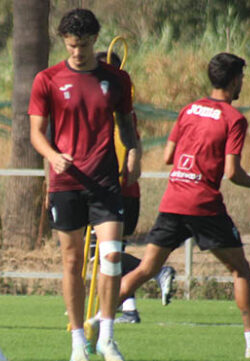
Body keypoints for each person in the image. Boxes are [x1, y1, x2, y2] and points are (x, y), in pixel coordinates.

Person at [120, 52, 250, 359]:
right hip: (203, 205)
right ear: (235, 80)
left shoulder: (188, 109)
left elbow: (167, 156)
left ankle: (96, 322)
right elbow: (231, 172)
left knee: (146, 269)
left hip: (173, 200)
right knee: (241, 270)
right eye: (242, 79)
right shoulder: (234, 119)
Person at [29, 8, 139, 361]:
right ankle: (78, 340)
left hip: (106, 181)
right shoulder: (47, 79)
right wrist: (52, 155)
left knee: (112, 257)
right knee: (72, 260)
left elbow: (127, 125)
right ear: (65, 42)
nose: (77, 52)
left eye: (84, 45)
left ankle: (107, 337)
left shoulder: (116, 79)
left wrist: (134, 153)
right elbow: (35, 132)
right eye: (71, 45)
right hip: (66, 182)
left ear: (95, 40)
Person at [93, 51, 176, 325]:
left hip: (114, 190)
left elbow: (131, 148)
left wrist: (128, 167)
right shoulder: (117, 110)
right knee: (108, 255)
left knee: (103, 253)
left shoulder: (115, 111)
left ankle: (156, 271)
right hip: (118, 190)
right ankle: (128, 309)